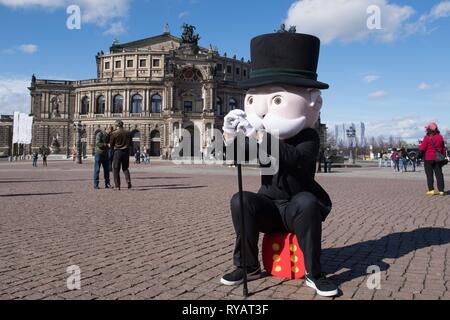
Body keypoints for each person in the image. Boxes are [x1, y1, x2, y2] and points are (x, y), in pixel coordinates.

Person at [220, 31, 338, 297]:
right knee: (240, 199)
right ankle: (247, 265)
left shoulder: (308, 136)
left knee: (307, 201)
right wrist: (229, 134)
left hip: (298, 208)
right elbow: (237, 156)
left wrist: (261, 135)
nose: (261, 111)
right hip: (270, 206)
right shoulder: (262, 137)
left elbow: (296, 159)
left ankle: (314, 273)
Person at [419, 122, 447, 196]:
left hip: (428, 158)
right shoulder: (440, 137)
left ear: (429, 129)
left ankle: (431, 190)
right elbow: (443, 148)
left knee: (429, 175)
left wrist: (420, 145)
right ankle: (441, 190)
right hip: (437, 158)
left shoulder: (427, 137)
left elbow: (422, 148)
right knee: (439, 174)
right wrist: (443, 155)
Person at [110, 120, 132, 190]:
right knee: (125, 168)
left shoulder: (114, 133)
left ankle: (117, 186)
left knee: (116, 169)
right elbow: (131, 143)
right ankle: (128, 181)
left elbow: (111, 144)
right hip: (126, 152)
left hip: (117, 152)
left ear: (117, 125)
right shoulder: (128, 132)